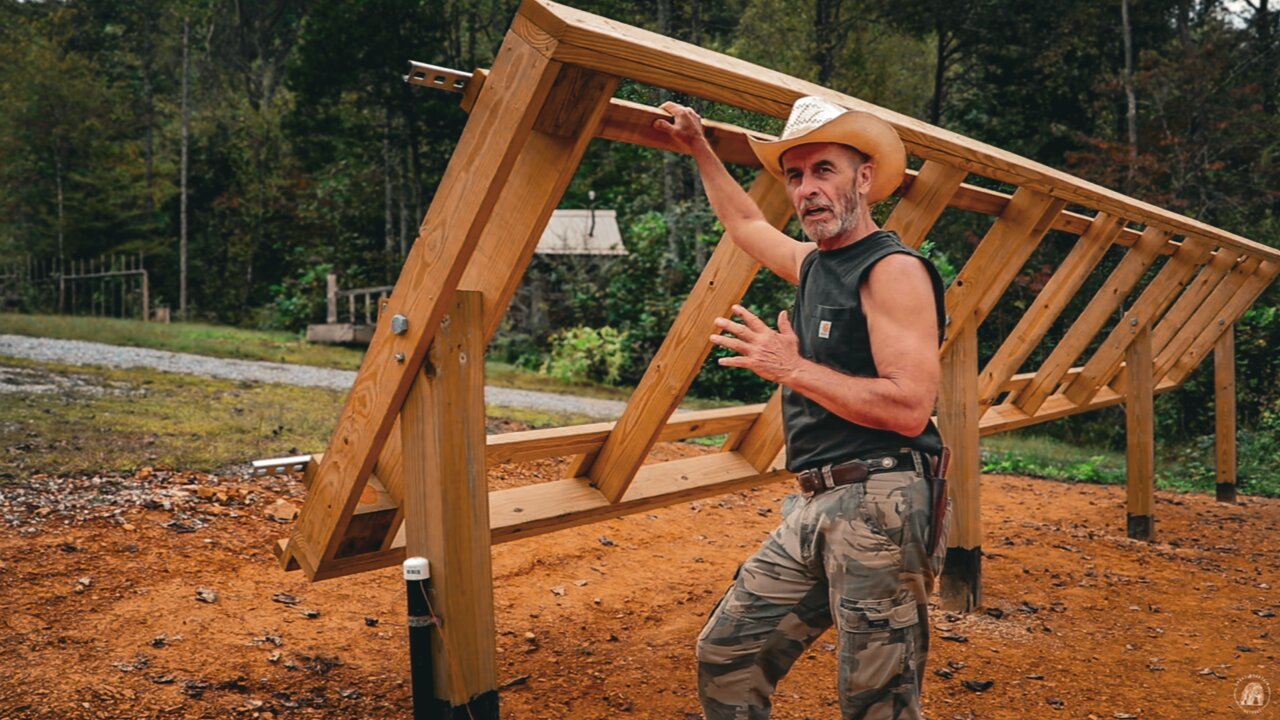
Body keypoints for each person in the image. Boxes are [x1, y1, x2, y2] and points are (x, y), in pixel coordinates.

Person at [653, 96, 951, 720]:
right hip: (816, 502)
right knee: (728, 653)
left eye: (825, 171)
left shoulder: (891, 270)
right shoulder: (817, 263)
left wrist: (790, 368)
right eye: (795, 175)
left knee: (877, 702)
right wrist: (702, 148)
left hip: (883, 502)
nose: (807, 189)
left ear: (863, 179)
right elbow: (745, 227)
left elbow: (909, 408)